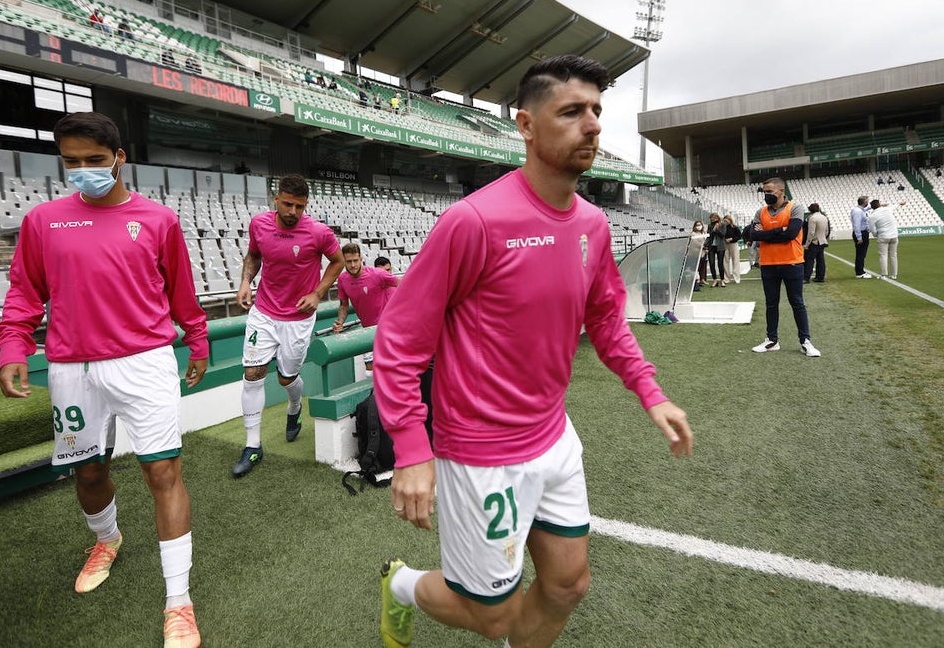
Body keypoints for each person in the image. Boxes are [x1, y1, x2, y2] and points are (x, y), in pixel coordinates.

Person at [372, 55, 693, 648]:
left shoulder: (594, 224)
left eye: (597, 111)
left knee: (568, 585)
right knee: (492, 615)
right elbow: (399, 341)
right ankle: (401, 585)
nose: (592, 125)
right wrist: (413, 450)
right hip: (481, 453)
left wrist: (651, 392)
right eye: (571, 111)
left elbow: (604, 319)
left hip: (554, 438)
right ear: (525, 124)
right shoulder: (473, 221)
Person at [0, 112, 207, 648]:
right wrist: (13, 344)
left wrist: (197, 339)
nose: (83, 170)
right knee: (89, 473)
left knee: (163, 472)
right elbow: (24, 292)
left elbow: (181, 291)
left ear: (119, 159)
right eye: (72, 162)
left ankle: (179, 601)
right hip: (71, 367)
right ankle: (107, 539)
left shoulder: (158, 220)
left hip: (146, 362)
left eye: (94, 160)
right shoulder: (43, 220)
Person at [232, 174, 343, 476]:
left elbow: (337, 262)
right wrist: (245, 282)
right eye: (288, 204)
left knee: (286, 378)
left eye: (300, 207)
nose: (293, 212)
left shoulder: (319, 233)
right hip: (264, 313)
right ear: (276, 199)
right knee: (253, 373)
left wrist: (318, 294)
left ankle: (294, 409)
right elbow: (254, 255)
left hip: (298, 318)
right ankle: (253, 446)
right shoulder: (259, 224)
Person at [746, 177, 821, 357]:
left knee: (797, 302)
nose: (766, 195)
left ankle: (805, 341)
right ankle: (772, 340)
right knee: (771, 304)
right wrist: (779, 230)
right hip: (769, 264)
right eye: (764, 192)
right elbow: (754, 235)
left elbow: (792, 234)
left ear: (781, 191)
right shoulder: (760, 211)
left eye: (770, 191)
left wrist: (767, 234)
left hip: (792, 262)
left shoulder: (795, 207)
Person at [333, 242, 400, 372]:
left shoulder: (378, 274)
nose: (352, 265)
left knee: (390, 368)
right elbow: (343, 305)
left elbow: (403, 284)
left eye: (355, 261)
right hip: (367, 331)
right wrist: (340, 321)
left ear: (361, 259)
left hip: (387, 328)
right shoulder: (342, 279)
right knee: (370, 370)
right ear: (344, 262)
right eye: (349, 262)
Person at [867, 199, 905, 280]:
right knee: (893, 255)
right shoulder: (887, 209)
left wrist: (875, 235)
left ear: (872, 207)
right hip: (894, 235)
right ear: (880, 204)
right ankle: (894, 274)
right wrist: (900, 203)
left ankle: (884, 275)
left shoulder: (872, 216)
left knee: (883, 255)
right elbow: (894, 206)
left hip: (883, 236)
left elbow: (872, 228)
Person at [802, 202, 829, 283]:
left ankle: (806, 278)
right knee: (820, 260)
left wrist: (807, 244)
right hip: (822, 241)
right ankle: (820, 277)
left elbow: (811, 233)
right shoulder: (824, 217)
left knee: (809, 260)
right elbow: (827, 231)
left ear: (810, 210)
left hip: (814, 242)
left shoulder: (812, 218)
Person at [851, 195, 873, 278]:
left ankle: (860, 271)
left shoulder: (859, 209)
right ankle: (860, 273)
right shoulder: (858, 212)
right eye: (867, 201)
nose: (868, 203)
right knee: (861, 254)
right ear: (864, 202)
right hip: (861, 233)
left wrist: (881, 205)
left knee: (861, 254)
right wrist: (859, 237)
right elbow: (857, 225)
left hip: (862, 233)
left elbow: (868, 208)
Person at [705, 213, 727, 286]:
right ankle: (715, 280)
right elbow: (709, 235)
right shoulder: (710, 226)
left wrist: (717, 229)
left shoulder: (723, 225)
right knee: (711, 263)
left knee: (720, 263)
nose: (712, 219)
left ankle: (722, 280)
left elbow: (723, 235)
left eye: (714, 218)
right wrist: (713, 230)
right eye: (711, 218)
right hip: (711, 246)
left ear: (717, 218)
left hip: (720, 246)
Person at [722, 215, 742, 285]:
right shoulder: (723, 227)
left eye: (726, 221)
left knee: (735, 260)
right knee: (725, 261)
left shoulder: (735, 227)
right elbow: (721, 235)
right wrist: (725, 239)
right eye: (724, 221)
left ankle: (737, 278)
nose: (725, 222)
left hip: (733, 245)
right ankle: (727, 278)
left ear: (730, 220)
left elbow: (739, 236)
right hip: (725, 245)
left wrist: (731, 239)